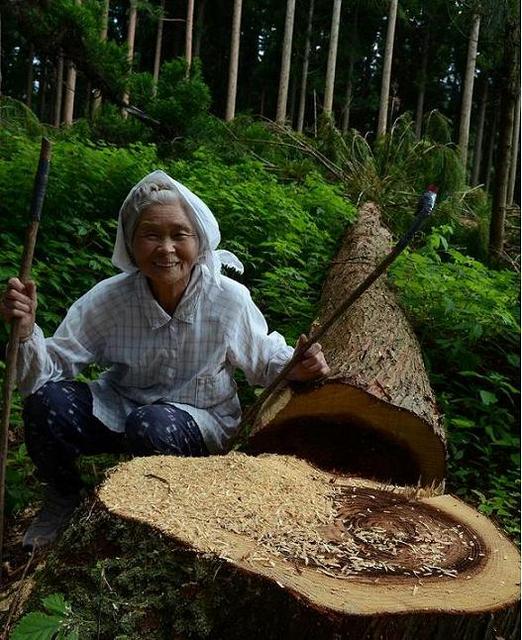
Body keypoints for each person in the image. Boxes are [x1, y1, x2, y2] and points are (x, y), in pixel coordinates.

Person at [1, 170, 330, 551]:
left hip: (199, 418)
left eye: (179, 234)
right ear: (131, 243)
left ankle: (163, 513)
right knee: (47, 404)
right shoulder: (109, 300)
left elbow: (265, 361)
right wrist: (25, 331)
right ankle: (63, 497)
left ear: (199, 239)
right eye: (151, 235)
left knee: (152, 426)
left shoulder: (227, 300)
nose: (166, 248)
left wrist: (299, 365)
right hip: (123, 409)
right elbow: (47, 372)